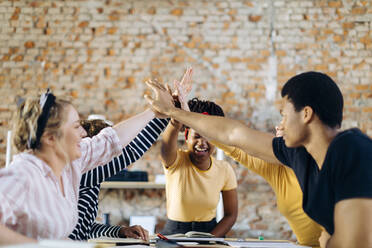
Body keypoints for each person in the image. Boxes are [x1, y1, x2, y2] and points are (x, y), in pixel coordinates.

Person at [144, 71, 372, 248]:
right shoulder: (296, 155)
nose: (280, 125)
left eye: (284, 115)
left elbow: (355, 243)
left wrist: (328, 240)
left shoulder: (353, 149)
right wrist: (176, 113)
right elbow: (233, 134)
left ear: (306, 114)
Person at [0, 89, 164, 245]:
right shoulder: (23, 175)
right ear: (50, 138)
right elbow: (131, 151)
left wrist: (157, 110)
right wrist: (40, 245)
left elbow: (112, 140)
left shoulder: (70, 166)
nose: (83, 134)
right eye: (76, 126)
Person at [211, 124, 322, 247]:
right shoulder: (278, 169)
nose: (278, 126)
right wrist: (198, 123)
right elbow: (236, 150)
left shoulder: (329, 161)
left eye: (286, 118)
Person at [69, 117, 168, 241]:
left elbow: (85, 229)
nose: (116, 157)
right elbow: (132, 151)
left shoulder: (91, 180)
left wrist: (121, 231)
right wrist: (166, 114)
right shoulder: (84, 173)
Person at [160, 97, 238, 237]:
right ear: (186, 137)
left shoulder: (225, 170)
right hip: (175, 232)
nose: (202, 143)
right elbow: (165, 146)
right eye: (196, 136)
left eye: (208, 137)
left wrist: (209, 241)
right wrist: (177, 116)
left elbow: (231, 215)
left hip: (210, 232)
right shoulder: (176, 160)